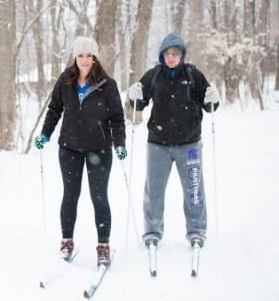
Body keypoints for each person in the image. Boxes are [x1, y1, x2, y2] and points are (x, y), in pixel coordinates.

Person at [34, 36, 127, 267]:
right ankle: (67, 242)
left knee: (99, 197)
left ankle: (103, 245)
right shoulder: (65, 80)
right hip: (70, 149)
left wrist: (120, 143)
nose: (85, 60)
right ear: (75, 57)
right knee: (70, 195)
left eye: (89, 55)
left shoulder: (107, 84)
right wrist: (45, 134)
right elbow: (55, 109)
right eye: (80, 55)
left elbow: (117, 117)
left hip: (100, 150)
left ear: (95, 58)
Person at [127, 32, 220, 249]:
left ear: (181, 55)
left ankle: (196, 230)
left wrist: (213, 99)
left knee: (194, 190)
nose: (171, 57)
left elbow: (209, 106)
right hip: (158, 144)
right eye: (167, 53)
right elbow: (138, 106)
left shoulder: (193, 74)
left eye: (175, 53)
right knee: (154, 191)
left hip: (189, 144)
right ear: (162, 56)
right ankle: (152, 231)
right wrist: (133, 96)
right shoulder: (153, 75)